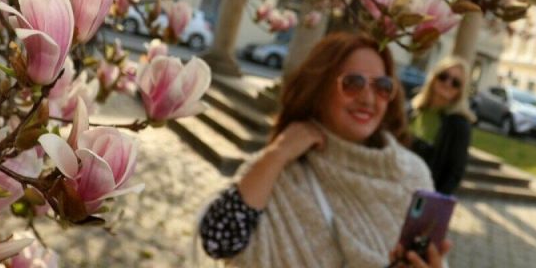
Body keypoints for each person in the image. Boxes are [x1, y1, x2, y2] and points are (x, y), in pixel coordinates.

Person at [198, 32, 453, 267]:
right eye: (353, 83)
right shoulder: (277, 169)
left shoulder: (412, 175)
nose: (368, 98)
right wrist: (277, 154)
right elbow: (217, 240)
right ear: (318, 88)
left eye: (382, 86)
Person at [408, 57, 474, 195]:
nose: (447, 83)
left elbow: (454, 173)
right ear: (434, 77)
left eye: (455, 83)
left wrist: (435, 203)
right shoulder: (412, 110)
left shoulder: (459, 125)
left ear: (460, 91)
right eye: (443, 76)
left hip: (423, 196)